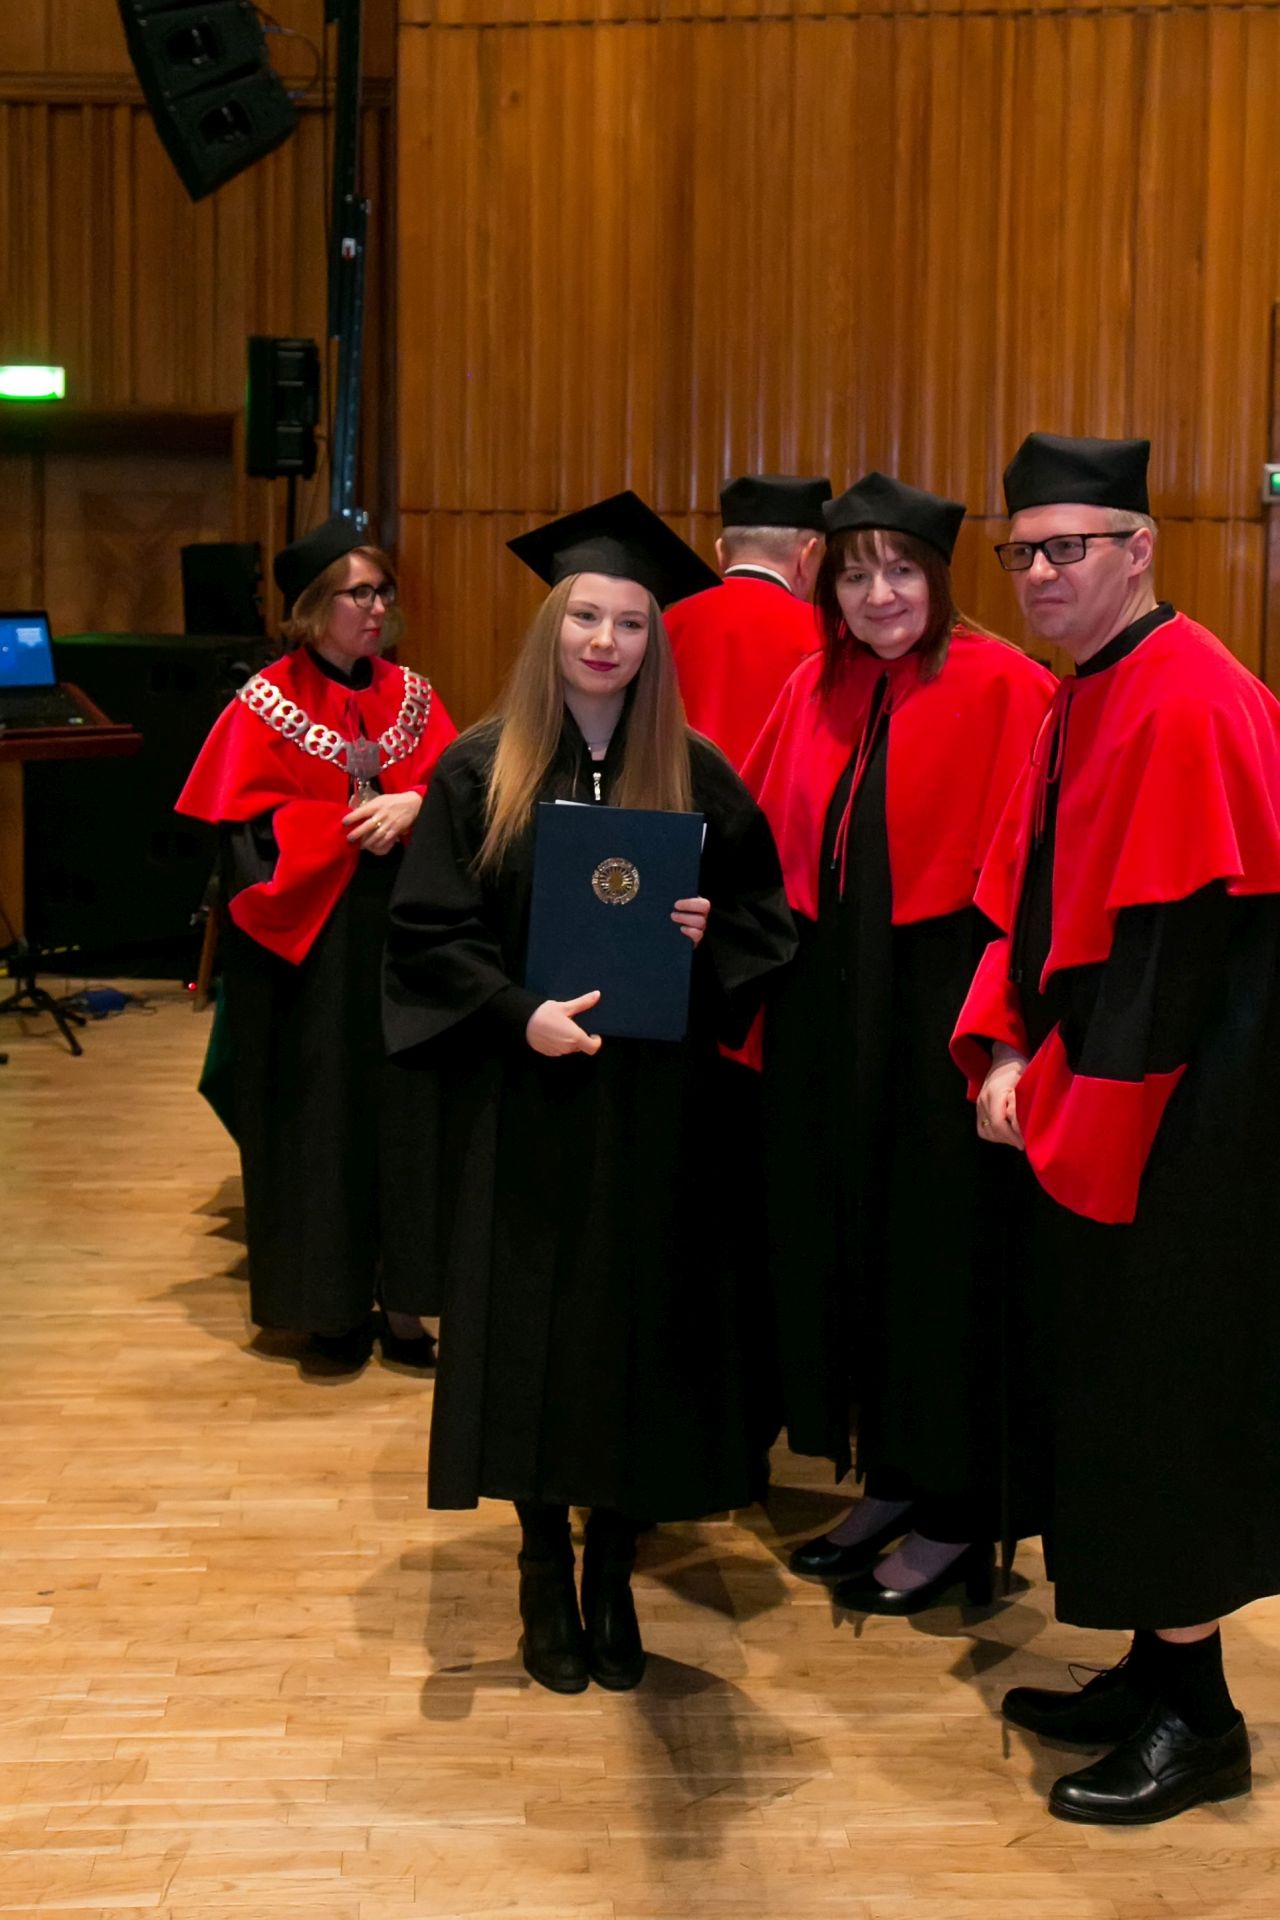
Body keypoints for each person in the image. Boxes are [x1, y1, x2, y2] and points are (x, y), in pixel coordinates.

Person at [383, 491, 796, 1694]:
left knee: (636, 1340)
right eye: (585, 617)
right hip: (528, 1106)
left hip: (657, 1116)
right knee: (533, 1341)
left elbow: (764, 928)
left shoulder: (696, 775)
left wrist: (706, 932)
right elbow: (428, 933)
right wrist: (519, 1014)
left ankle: (612, 1564)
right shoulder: (479, 769)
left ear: (654, 639)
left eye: (628, 621)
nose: (605, 640)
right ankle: (538, 1568)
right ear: (550, 627)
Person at [953, 432, 1280, 1823]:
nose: (1037, 573)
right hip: (1110, 1091)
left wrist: (1058, 1093)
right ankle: (1152, 1671)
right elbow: (1034, 896)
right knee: (1109, 1391)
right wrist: (1006, 1040)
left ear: (1137, 549)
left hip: (1187, 1124)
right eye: (1020, 551)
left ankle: (1198, 1721)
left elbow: (1168, 957)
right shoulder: (1089, 689)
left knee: (1164, 1402)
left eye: (1066, 547)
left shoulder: (1187, 697)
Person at [744, 472, 1055, 1613]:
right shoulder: (811, 685)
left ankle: (959, 1513)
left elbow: (1030, 887)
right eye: (854, 575)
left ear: (938, 577)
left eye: (900, 571)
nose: (878, 594)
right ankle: (890, 1478)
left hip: (940, 1018)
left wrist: (1005, 1039)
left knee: (941, 1265)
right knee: (855, 1250)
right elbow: (762, 838)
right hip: (834, 1017)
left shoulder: (1009, 686)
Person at [177, 516, 457, 1368]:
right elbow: (243, 842)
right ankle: (328, 1308)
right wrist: (341, 831)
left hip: (407, 938)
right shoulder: (263, 703)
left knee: (411, 1117)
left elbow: (463, 794)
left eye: (382, 592)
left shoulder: (415, 697)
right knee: (320, 1121)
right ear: (311, 608)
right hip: (312, 953)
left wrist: (417, 806)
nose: (376, 608)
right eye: (356, 594)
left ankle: (406, 1303)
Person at [664, 474, 828, 769]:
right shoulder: (828, 633)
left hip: (680, 794)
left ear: (720, 553)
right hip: (780, 799)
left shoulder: (666, 624)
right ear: (808, 555)